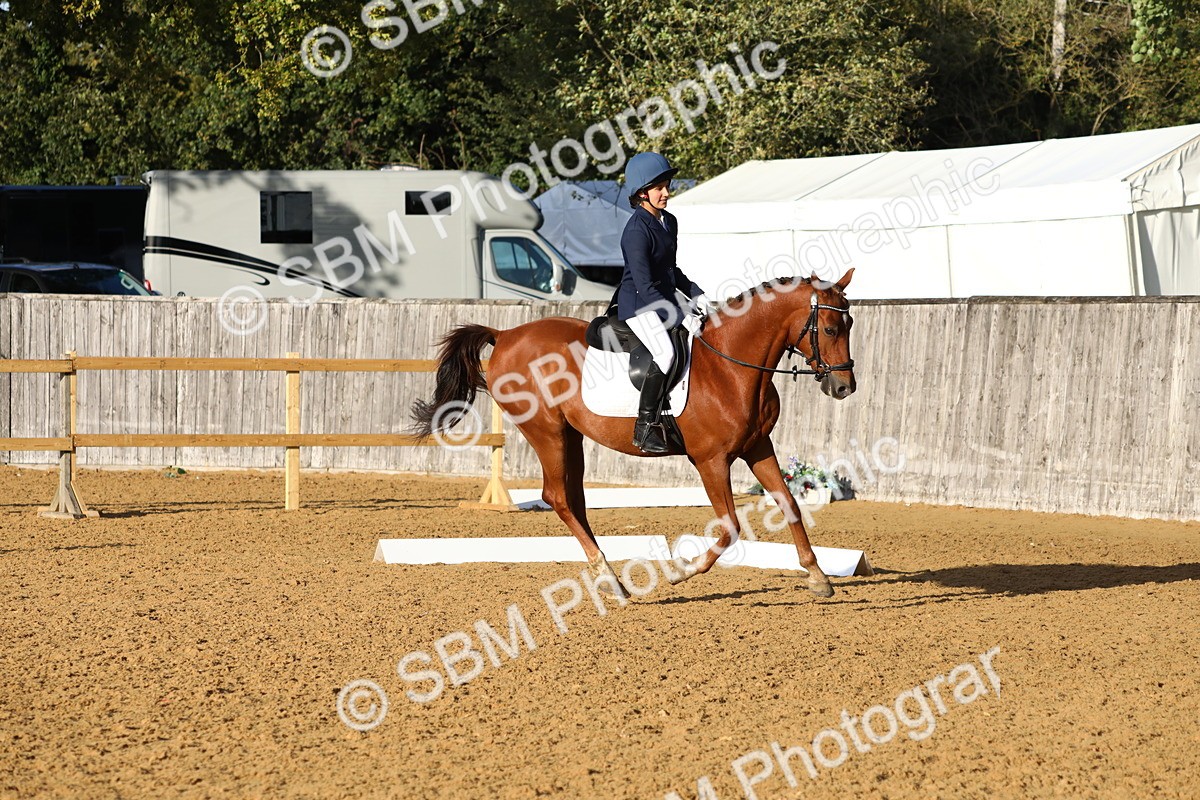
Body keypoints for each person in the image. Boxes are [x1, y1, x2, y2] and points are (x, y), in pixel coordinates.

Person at [617, 152, 712, 454]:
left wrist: (696, 293)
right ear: (642, 192)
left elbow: (671, 271)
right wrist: (678, 314)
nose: (666, 192)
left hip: (664, 298)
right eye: (659, 188)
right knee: (666, 353)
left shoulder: (669, 221)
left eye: (667, 185)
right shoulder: (635, 231)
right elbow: (645, 285)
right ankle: (644, 426)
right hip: (638, 304)